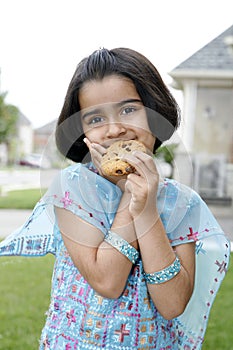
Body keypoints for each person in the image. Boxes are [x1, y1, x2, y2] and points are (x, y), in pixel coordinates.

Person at [0, 47, 230, 349]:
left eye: (128, 110)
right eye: (95, 119)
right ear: (81, 130)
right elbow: (107, 281)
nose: (114, 129)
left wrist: (147, 211)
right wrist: (129, 196)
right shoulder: (72, 188)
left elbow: (173, 304)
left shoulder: (182, 203)